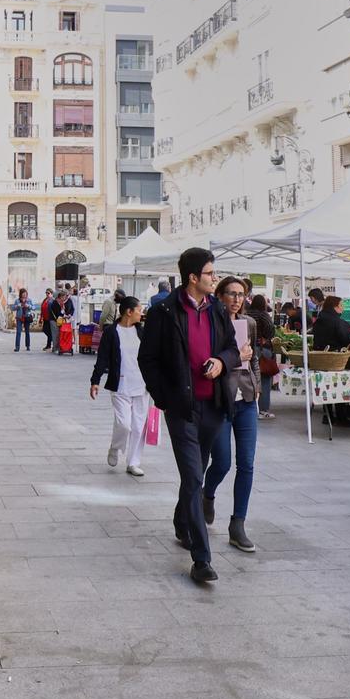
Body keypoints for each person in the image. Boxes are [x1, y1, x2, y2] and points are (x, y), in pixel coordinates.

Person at [137, 246, 240, 586]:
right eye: (211, 273)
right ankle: (202, 559)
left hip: (214, 406)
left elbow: (233, 349)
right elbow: (147, 358)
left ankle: (182, 522)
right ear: (193, 277)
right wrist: (164, 397)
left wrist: (221, 362)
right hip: (182, 409)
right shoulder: (165, 311)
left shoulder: (218, 311)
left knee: (197, 474)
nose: (215, 278)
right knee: (194, 477)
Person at [203, 276, 262, 553]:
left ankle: (238, 523)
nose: (237, 299)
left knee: (247, 463)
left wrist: (258, 386)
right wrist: (236, 356)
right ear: (220, 295)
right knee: (223, 462)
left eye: (241, 294)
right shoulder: (211, 323)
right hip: (222, 399)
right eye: (231, 293)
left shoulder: (249, 323)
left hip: (247, 399)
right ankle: (208, 493)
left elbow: (256, 360)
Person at [90, 295, 149, 477]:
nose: (141, 313)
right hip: (120, 384)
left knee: (139, 427)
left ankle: (133, 462)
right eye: (139, 310)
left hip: (141, 385)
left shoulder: (142, 331)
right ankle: (115, 447)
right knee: (124, 424)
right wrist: (95, 381)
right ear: (128, 312)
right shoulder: (111, 332)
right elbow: (102, 357)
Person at [311, 294, 350, 430]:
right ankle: (341, 417)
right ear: (335, 306)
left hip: (322, 358)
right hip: (336, 359)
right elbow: (348, 339)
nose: (343, 308)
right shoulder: (337, 321)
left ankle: (327, 415)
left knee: (326, 386)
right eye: (341, 305)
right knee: (339, 386)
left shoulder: (319, 320)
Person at [248, 293, 279, 420]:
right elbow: (271, 330)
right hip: (261, 349)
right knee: (265, 381)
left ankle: (249, 408)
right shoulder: (263, 314)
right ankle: (263, 410)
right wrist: (266, 337)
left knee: (248, 379)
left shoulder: (246, 314)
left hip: (247, 349)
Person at [12, 287, 34, 351]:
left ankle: (28, 346)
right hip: (19, 318)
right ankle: (17, 347)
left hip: (27, 317)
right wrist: (17, 306)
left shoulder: (29, 300)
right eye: (23, 294)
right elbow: (13, 308)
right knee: (18, 332)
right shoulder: (17, 300)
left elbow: (33, 307)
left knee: (27, 332)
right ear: (20, 294)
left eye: (25, 293)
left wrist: (28, 306)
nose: (24, 295)